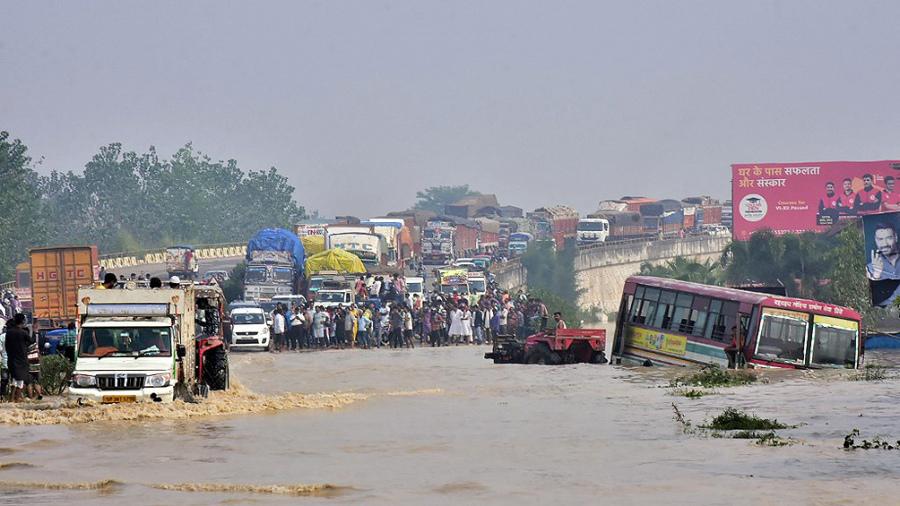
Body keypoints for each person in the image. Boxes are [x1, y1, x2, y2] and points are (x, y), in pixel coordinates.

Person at [5, 314, 30, 402]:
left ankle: (11, 399)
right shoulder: (24, 333)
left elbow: (7, 346)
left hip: (12, 358)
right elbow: (31, 341)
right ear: (23, 321)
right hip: (22, 359)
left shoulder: (9, 332)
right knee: (20, 379)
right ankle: (17, 398)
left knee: (14, 378)